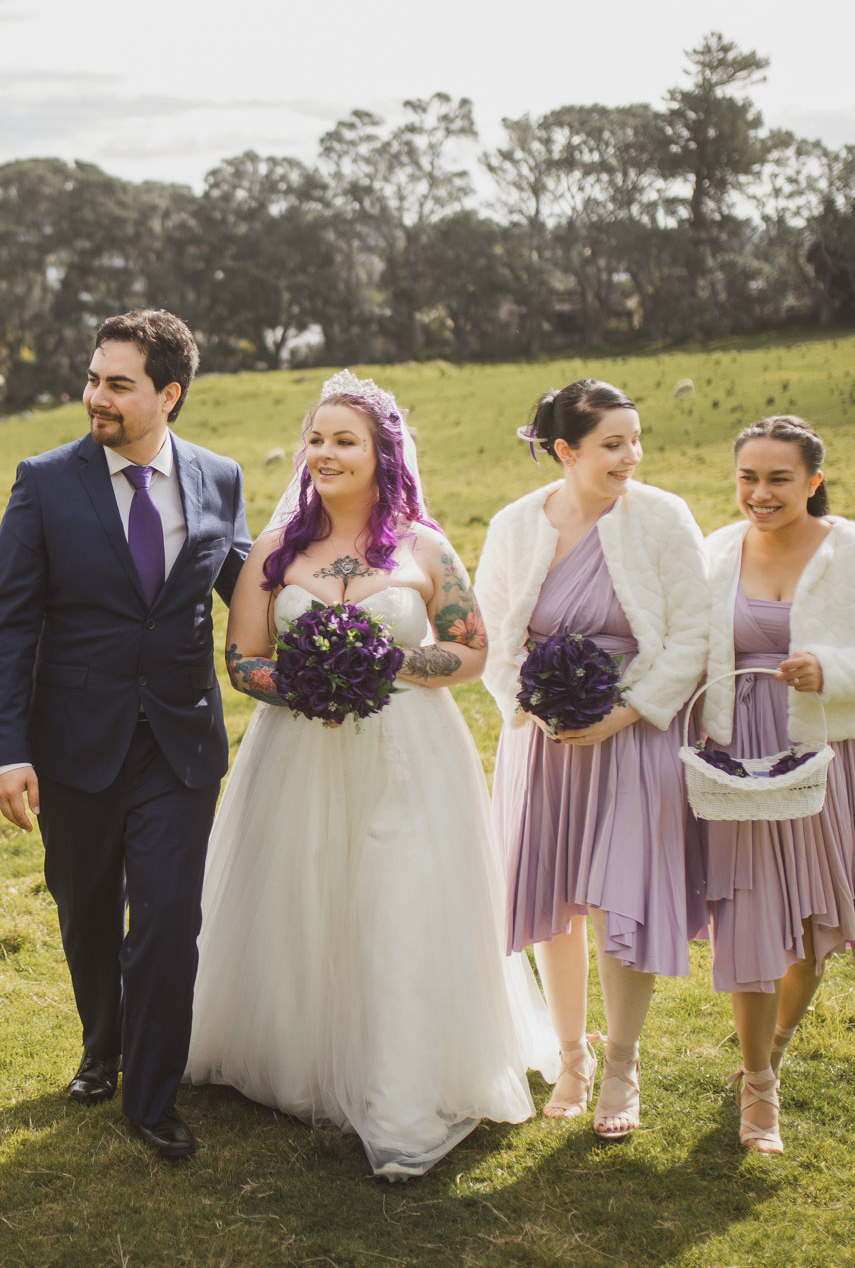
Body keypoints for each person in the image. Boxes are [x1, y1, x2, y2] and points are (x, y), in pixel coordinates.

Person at [187, 372, 556, 1181]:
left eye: (343, 440)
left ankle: (401, 1090)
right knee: (306, 895)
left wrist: (390, 662)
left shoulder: (425, 547)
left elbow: (471, 648)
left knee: (400, 899)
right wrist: (307, 684)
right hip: (298, 754)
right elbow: (243, 661)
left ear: (382, 454)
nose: (323, 453)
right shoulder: (274, 556)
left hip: (408, 755)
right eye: (315, 439)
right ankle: (301, 1060)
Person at [0, 309, 250, 1161]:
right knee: (87, 908)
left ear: (168, 394)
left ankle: (151, 1096)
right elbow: (12, 623)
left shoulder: (221, 476)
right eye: (94, 378)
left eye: (118, 383)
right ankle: (103, 1045)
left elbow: (251, 587)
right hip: (73, 742)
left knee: (169, 920)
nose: (96, 395)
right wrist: (9, 750)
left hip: (181, 743)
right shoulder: (44, 480)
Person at [475, 379, 709, 1140]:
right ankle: (570, 1056)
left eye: (636, 441)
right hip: (542, 743)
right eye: (613, 444)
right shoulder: (516, 524)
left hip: (633, 733)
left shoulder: (664, 518)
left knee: (619, 900)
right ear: (567, 450)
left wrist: (626, 712)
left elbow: (689, 636)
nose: (631, 456)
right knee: (553, 900)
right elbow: (493, 633)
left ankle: (622, 1064)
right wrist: (531, 708)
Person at [697, 415, 855, 1155]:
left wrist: (829, 667)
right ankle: (759, 1086)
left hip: (820, 752)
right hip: (735, 759)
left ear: (813, 482)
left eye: (779, 479)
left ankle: (778, 1035)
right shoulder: (715, 552)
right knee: (753, 918)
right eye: (748, 478)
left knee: (810, 934)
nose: (760, 493)